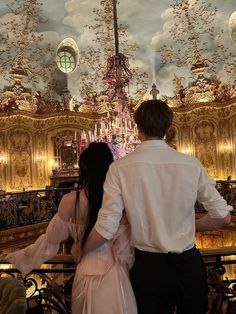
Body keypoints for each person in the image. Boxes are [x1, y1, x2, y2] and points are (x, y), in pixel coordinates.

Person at [83, 100, 233, 314]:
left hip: (148, 268)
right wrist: (193, 226)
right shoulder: (191, 165)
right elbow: (223, 217)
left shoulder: (119, 169)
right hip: (187, 264)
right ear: (168, 129)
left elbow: (107, 226)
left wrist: (82, 249)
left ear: (138, 129)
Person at [6, 142, 137, 314]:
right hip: (116, 275)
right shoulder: (120, 201)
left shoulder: (70, 201)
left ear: (84, 170)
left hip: (85, 270)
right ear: (110, 168)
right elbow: (126, 246)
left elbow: (50, 240)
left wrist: (22, 257)